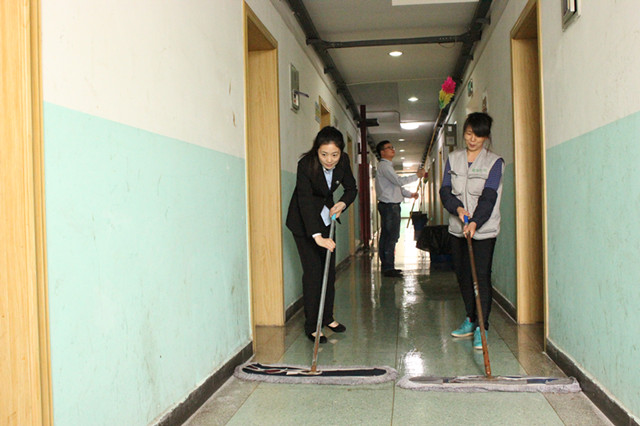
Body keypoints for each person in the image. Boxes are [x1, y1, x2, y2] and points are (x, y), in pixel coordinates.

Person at [286, 126, 357, 343]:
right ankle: (312, 325)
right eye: (324, 154)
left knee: (328, 272)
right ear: (316, 150)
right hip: (303, 222)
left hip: (326, 217)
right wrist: (317, 237)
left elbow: (352, 189)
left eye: (334, 155)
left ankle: (327, 317)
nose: (329, 160)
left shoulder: (343, 162)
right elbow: (305, 202)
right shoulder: (305, 165)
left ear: (341, 152)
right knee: (313, 273)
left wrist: (342, 204)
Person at [439, 112, 504, 350]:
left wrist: (475, 221)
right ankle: (470, 319)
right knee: (464, 275)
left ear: (486, 137)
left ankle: (482, 327)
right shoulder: (453, 159)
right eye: (468, 134)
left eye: (478, 135)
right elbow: (445, 190)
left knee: (481, 277)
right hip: (458, 228)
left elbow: (489, 196)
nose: (473, 139)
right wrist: (457, 208)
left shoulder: (494, 162)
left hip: (483, 230)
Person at [375, 140, 425, 277]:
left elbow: (396, 187)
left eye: (392, 147)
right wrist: (417, 176)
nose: (392, 149)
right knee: (391, 237)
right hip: (390, 207)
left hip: (389, 205)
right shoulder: (385, 166)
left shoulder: (387, 166)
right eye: (388, 148)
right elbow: (399, 181)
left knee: (387, 236)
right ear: (382, 152)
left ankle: (387, 266)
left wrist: (410, 194)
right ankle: (388, 267)